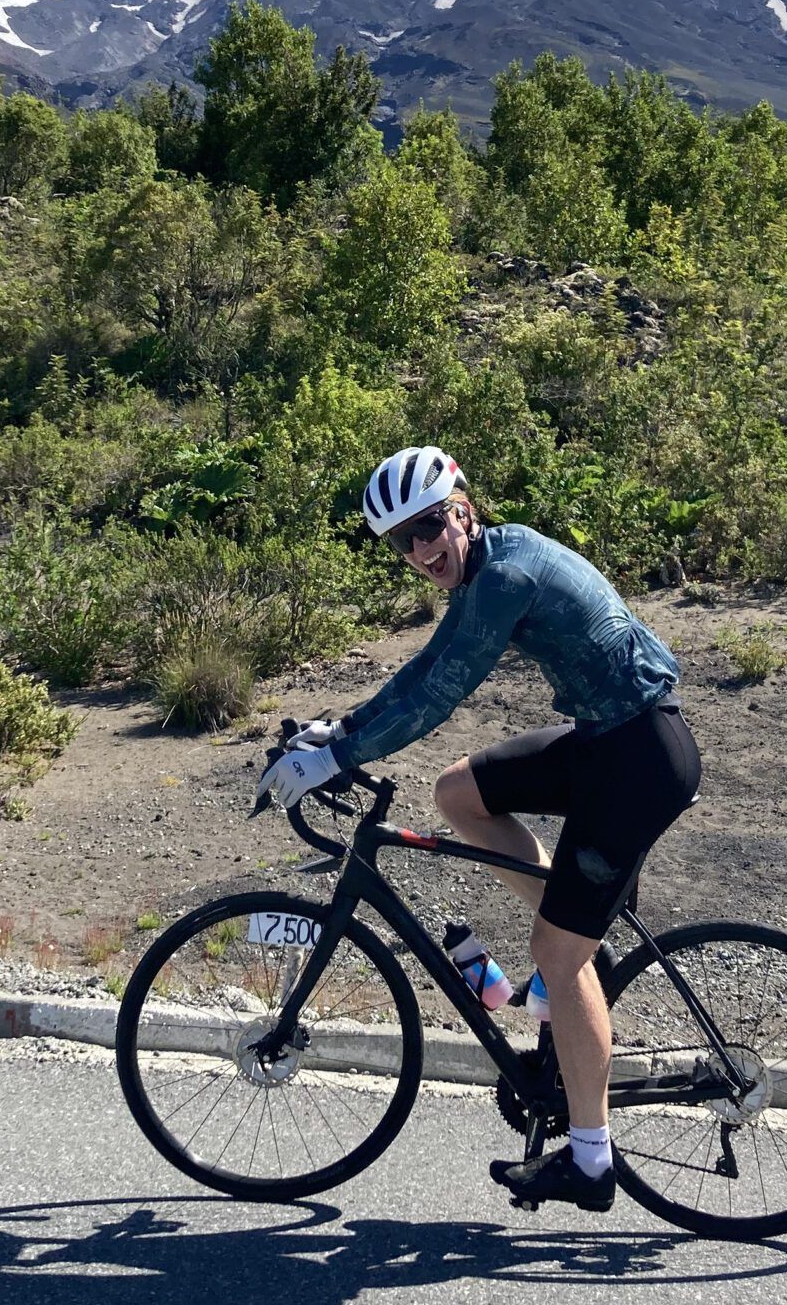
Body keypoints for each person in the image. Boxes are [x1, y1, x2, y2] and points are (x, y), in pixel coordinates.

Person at [258, 446, 700, 1213]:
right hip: (605, 737)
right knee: (459, 792)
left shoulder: (505, 574)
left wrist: (342, 757)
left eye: (430, 525)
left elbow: (443, 694)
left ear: (463, 508)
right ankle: (565, 963)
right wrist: (342, 728)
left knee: (558, 959)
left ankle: (592, 1164)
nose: (422, 549)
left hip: (641, 757)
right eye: (403, 541)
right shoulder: (488, 563)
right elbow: (427, 668)